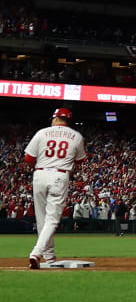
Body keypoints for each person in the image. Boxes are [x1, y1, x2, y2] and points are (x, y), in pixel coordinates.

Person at [23, 107, 86, 269]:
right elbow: (80, 160)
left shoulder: (42, 133)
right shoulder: (76, 136)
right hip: (60, 175)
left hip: (40, 174)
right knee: (52, 219)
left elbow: (29, 158)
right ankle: (37, 253)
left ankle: (49, 257)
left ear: (56, 118)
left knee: (42, 219)